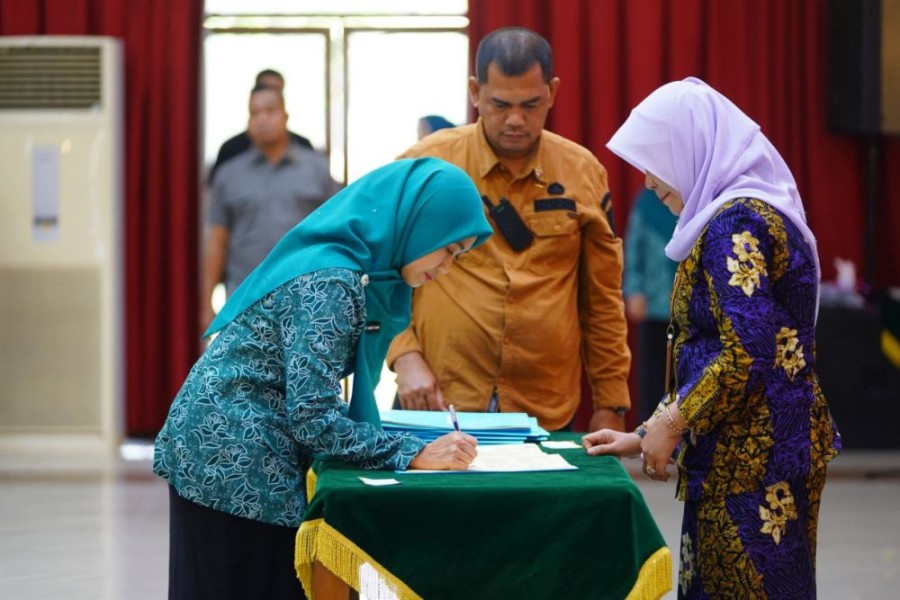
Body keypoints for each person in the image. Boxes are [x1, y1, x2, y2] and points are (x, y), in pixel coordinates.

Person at [155, 157, 493, 600]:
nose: (448, 266)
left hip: (235, 447)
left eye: (461, 255)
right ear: (418, 222)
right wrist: (413, 453)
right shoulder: (332, 281)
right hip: (232, 457)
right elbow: (313, 417)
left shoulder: (359, 269)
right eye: (449, 248)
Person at [584, 77, 841, 598]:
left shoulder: (735, 223)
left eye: (658, 162)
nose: (651, 182)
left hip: (754, 460)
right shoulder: (739, 213)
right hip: (752, 449)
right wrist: (649, 429)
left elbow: (747, 352)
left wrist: (674, 421)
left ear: (693, 149)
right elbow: (711, 350)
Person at [387, 26, 631, 433]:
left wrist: (611, 402)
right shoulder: (425, 165)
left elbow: (603, 298)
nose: (516, 120)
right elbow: (377, 272)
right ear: (474, 91)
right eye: (500, 104)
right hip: (437, 399)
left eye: (531, 104)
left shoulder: (583, 172)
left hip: (545, 405)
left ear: (552, 92)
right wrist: (404, 355)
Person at [200, 83, 342, 333]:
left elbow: (338, 232)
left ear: (285, 116)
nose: (262, 119)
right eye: (254, 113)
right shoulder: (228, 174)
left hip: (307, 300)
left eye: (270, 110)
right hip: (245, 303)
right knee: (245, 371)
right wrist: (206, 302)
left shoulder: (317, 170)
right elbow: (216, 239)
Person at [623, 187, 679, 421]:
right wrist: (633, 291)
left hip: (692, 310)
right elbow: (633, 249)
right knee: (654, 376)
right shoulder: (646, 204)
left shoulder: (693, 203)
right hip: (654, 306)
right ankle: (649, 433)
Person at [207, 69, 314, 185]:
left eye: (276, 90)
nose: (263, 118)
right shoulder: (231, 150)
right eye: (264, 88)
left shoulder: (305, 150)